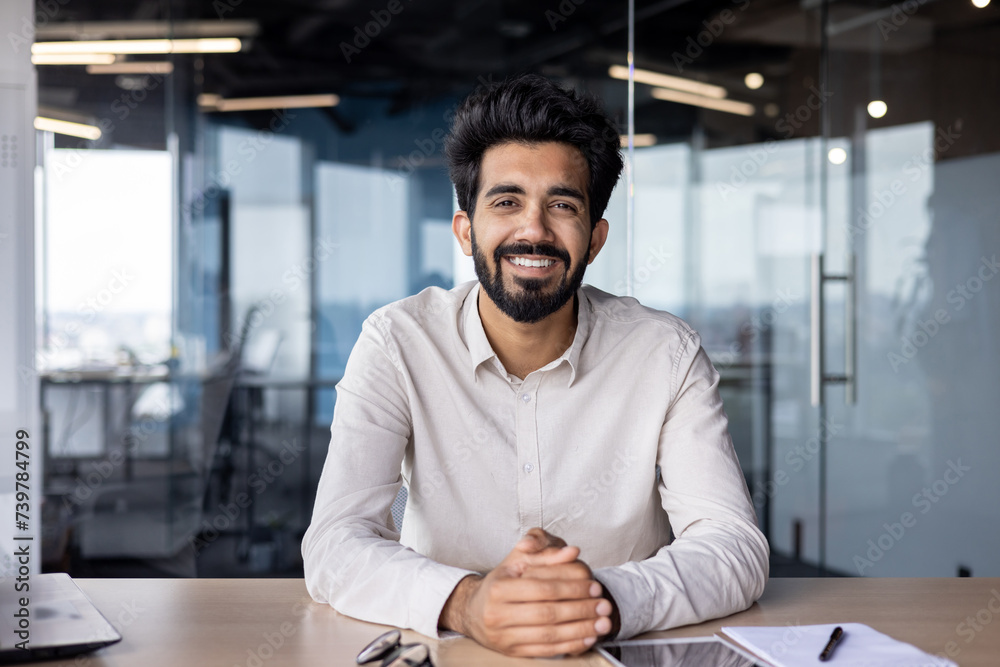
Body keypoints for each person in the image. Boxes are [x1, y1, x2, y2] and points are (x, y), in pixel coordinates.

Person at [302, 73, 768, 658]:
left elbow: (733, 545)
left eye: (562, 204)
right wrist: (467, 602)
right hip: (452, 651)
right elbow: (334, 543)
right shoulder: (397, 342)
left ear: (594, 239)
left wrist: (600, 598)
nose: (534, 230)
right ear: (465, 230)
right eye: (506, 201)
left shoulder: (664, 353)